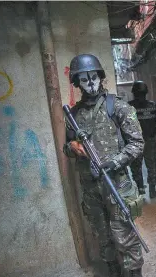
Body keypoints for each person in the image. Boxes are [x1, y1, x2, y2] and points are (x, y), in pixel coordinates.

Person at [63, 54, 146, 277]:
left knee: (125, 236)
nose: (90, 83)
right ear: (76, 82)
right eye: (83, 79)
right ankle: (112, 271)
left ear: (100, 77)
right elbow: (66, 146)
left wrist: (114, 162)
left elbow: (137, 144)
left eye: (93, 77)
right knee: (102, 235)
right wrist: (73, 148)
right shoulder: (73, 115)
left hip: (117, 184)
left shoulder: (117, 107)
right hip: (91, 188)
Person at [128, 81, 156, 199]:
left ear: (133, 93)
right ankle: (152, 190)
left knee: (136, 165)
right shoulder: (153, 106)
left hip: (135, 142)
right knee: (152, 164)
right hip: (149, 140)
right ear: (146, 92)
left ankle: (140, 188)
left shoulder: (128, 107)